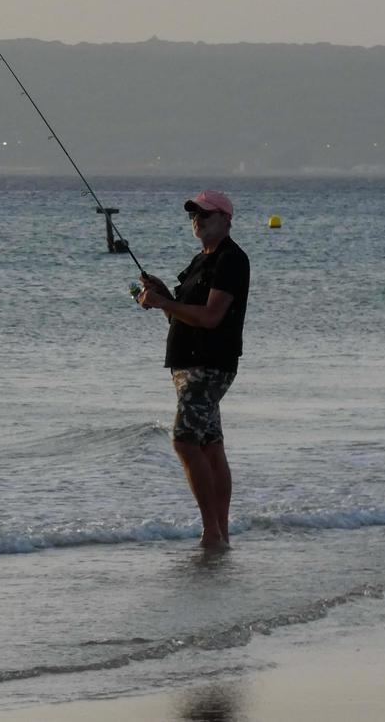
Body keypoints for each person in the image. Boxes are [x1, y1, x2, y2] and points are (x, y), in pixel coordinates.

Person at [135, 190, 250, 550]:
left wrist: (164, 301)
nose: (197, 220)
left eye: (206, 214)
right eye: (193, 216)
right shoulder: (201, 260)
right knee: (210, 444)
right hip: (189, 366)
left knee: (185, 441)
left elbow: (211, 317)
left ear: (226, 220)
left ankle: (211, 532)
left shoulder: (231, 260)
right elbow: (182, 316)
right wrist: (163, 297)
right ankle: (220, 533)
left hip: (209, 365)